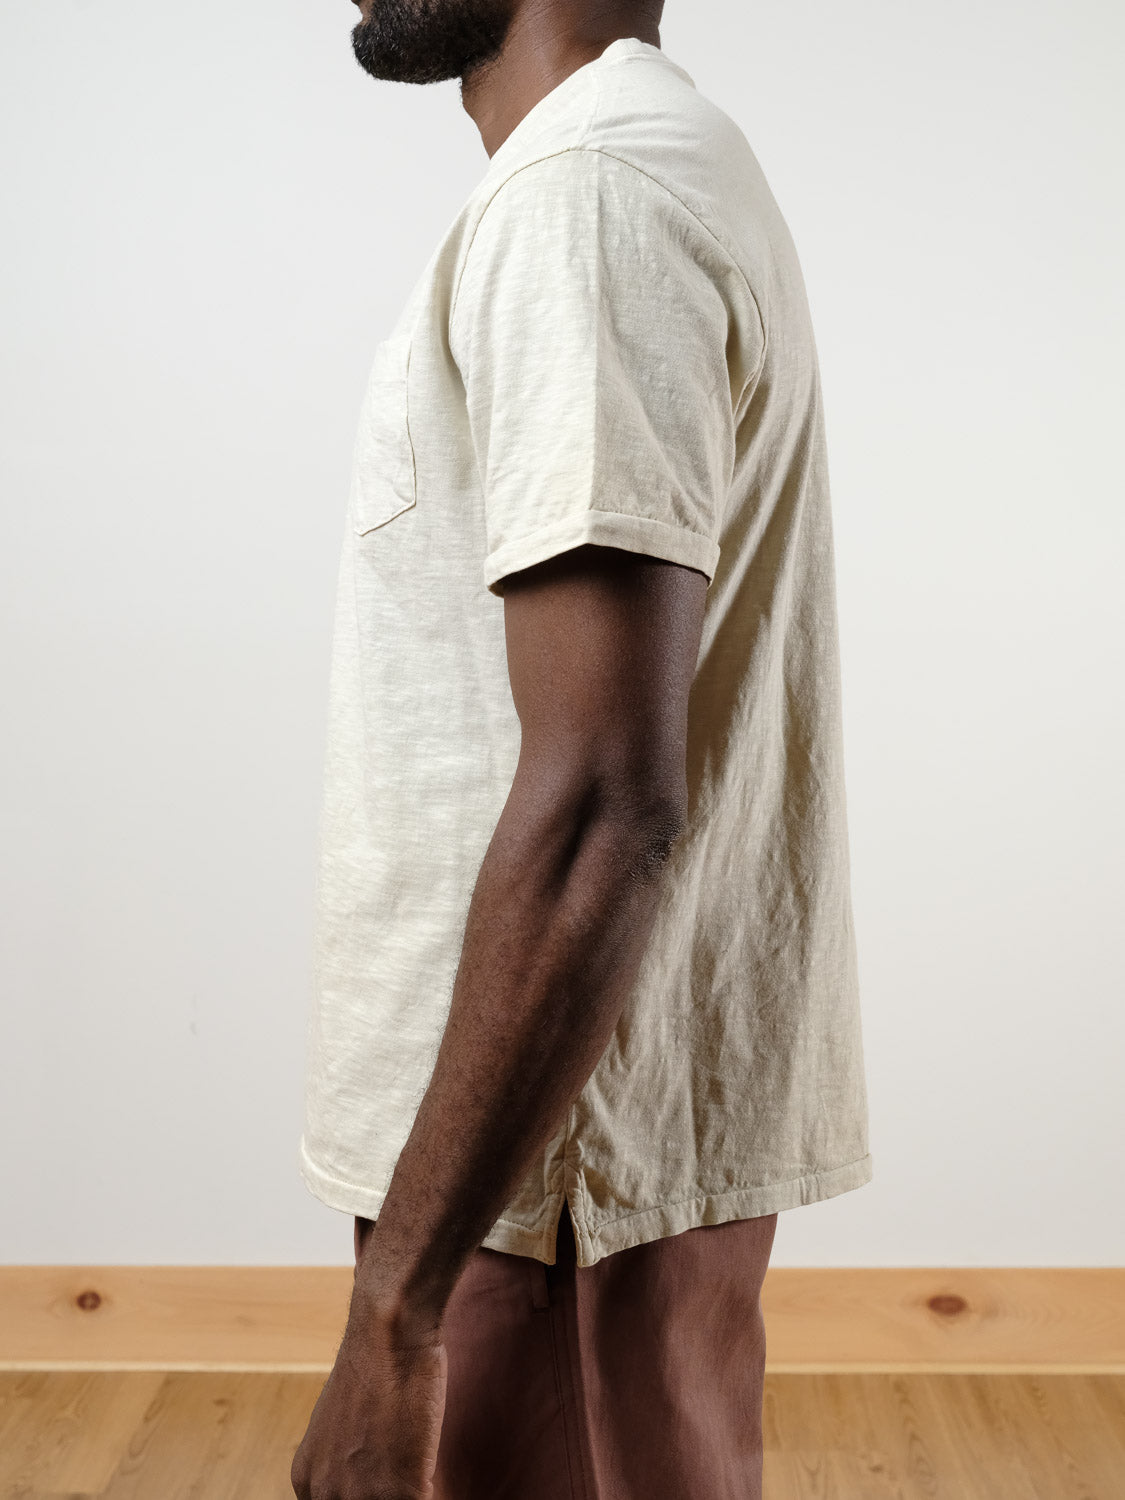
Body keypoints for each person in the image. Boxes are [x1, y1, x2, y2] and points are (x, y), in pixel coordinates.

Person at [291, 3, 873, 1497]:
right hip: (556, 1155)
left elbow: (606, 805)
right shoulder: (623, 163)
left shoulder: (588, 200)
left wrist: (394, 1317)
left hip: (549, 1185)